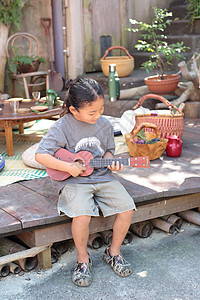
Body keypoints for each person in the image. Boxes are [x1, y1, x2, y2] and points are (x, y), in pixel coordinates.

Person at [35, 78, 136, 287]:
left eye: (101, 109)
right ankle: (83, 259)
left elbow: (108, 151)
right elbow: (41, 155)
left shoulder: (105, 124)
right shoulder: (62, 127)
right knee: (82, 215)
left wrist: (111, 161)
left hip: (102, 176)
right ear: (73, 110)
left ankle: (113, 252)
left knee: (127, 208)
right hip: (74, 181)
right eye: (92, 112)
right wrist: (69, 167)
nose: (98, 115)